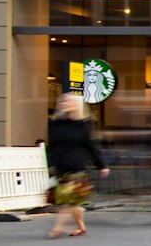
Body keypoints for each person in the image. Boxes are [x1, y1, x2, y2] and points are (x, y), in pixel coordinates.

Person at [45, 94, 107, 238]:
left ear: (77, 105)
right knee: (71, 202)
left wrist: (102, 165)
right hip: (61, 167)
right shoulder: (56, 124)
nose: (66, 104)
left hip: (77, 167)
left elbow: (91, 146)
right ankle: (81, 226)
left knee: (67, 200)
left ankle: (57, 228)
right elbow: (53, 147)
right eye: (64, 101)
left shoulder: (83, 125)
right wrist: (51, 164)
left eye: (70, 102)